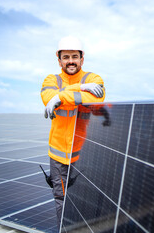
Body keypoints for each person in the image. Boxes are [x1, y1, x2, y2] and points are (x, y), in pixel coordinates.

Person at [40, 36, 106, 228]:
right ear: (59, 59)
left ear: (82, 59)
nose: (70, 61)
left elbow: (97, 98)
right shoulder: (50, 79)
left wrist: (63, 95)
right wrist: (80, 90)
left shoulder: (93, 79)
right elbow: (48, 97)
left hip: (84, 156)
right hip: (58, 156)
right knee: (61, 200)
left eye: (74, 56)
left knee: (87, 201)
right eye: (66, 56)